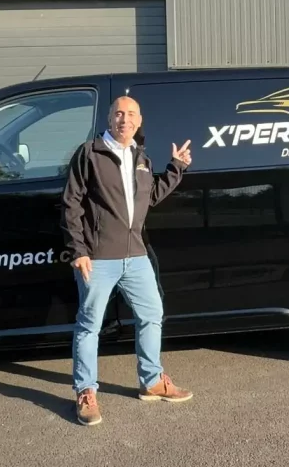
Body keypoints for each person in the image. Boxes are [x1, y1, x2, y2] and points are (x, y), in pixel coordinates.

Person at [61, 95, 193, 426]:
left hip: (136, 256)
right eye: (119, 113)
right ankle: (86, 391)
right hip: (99, 257)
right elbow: (71, 203)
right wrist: (79, 250)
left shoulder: (140, 157)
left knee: (152, 315)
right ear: (109, 119)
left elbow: (149, 196)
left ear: (139, 120)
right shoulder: (89, 153)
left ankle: (152, 381)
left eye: (131, 113)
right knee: (89, 325)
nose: (125, 118)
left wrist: (176, 168)